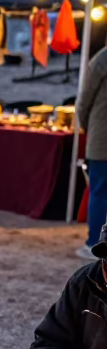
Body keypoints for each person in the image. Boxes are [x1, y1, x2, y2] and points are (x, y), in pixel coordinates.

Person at [76, 43, 107, 260]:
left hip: (102, 139)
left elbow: (84, 101)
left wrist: (88, 127)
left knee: (99, 192)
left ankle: (94, 244)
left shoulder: (102, 58)